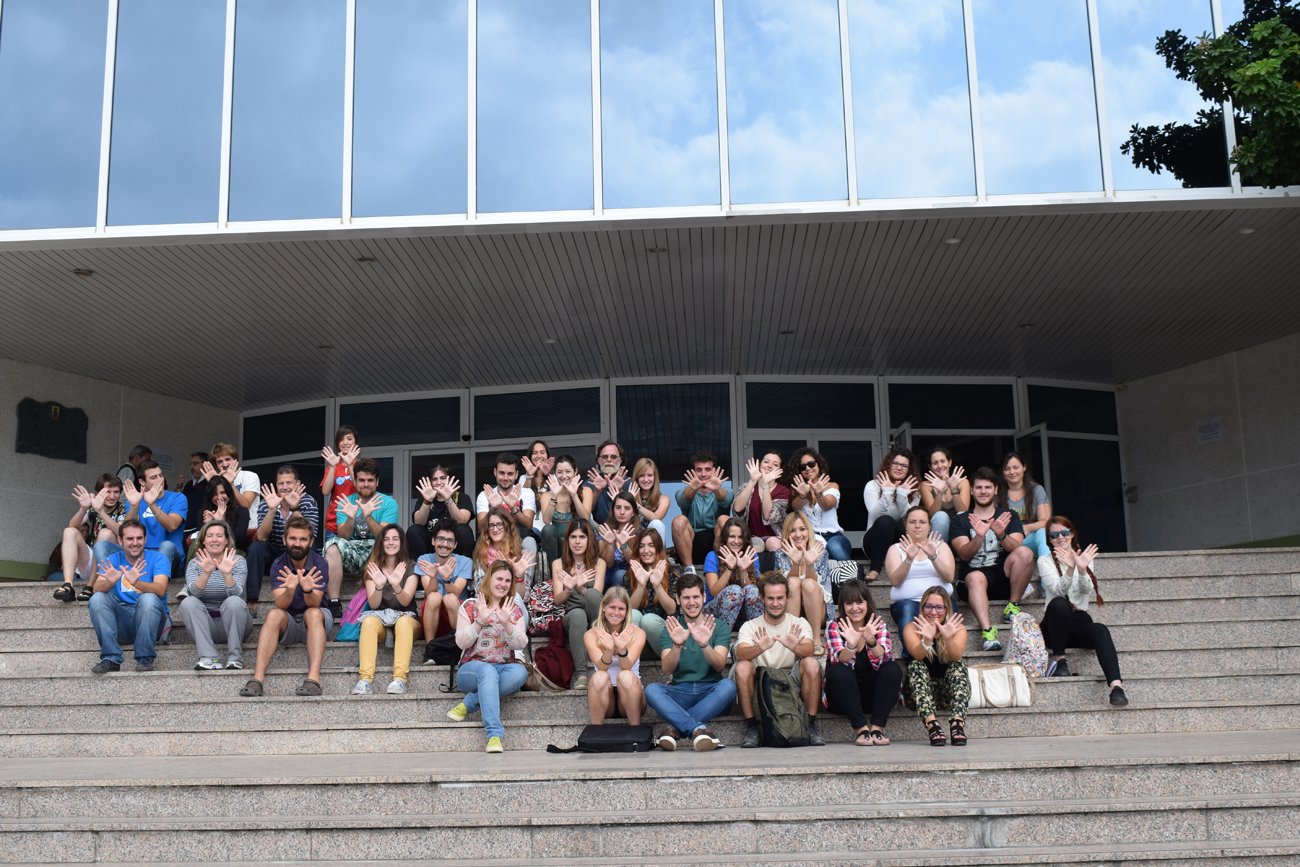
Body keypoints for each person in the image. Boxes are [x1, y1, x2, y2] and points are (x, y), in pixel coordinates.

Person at [239, 516, 333, 697]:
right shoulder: (278, 564)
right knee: (274, 614)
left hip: (316, 622)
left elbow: (314, 603)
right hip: (289, 621)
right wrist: (290, 589)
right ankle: (257, 680)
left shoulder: (320, 563)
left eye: (303, 539)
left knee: (313, 613)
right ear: (284, 540)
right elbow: (281, 604)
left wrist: (306, 590)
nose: (297, 543)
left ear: (311, 541)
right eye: (293, 538)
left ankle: (313, 680)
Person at [1038, 516, 1127, 706]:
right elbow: (1058, 591)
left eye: (1064, 532)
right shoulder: (1044, 561)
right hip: (1054, 625)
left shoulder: (1083, 556)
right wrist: (1070, 570)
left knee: (1100, 629)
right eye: (1054, 535)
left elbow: (1087, 590)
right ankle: (1060, 661)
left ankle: (1116, 688)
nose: (1060, 537)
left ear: (1072, 534)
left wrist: (1082, 568)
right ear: (1049, 540)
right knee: (1059, 604)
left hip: (1078, 621)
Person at [646, 572, 736, 751]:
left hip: (711, 693)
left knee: (729, 686)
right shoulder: (671, 629)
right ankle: (697, 729)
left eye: (696, 596)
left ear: (704, 597)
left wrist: (704, 645)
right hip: (681, 693)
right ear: (678, 600)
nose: (692, 602)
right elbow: (666, 668)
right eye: (686, 598)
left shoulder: (719, 627)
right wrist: (677, 644)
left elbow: (719, 665)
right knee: (651, 690)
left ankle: (675, 729)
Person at [734, 571, 825, 748]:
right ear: (762, 599)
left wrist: (794, 647)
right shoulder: (750, 626)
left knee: (811, 664)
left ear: (788, 598)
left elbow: (809, 650)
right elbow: (740, 654)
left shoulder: (799, 623)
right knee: (743, 667)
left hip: (790, 677)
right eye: (770, 598)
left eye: (780, 598)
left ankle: (810, 725)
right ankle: (753, 728)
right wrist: (760, 648)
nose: (775, 603)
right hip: (761, 680)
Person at [447, 560, 530, 753]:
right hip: (471, 669)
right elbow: (461, 643)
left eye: (508, 580)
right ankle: (494, 735)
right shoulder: (469, 606)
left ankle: (469, 703)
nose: (503, 584)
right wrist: (480, 621)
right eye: (499, 578)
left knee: (520, 672)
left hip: (503, 667)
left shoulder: (513, 609)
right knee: (486, 671)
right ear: (489, 579)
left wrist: (507, 623)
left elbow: (521, 644)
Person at [950, 466, 1034, 652]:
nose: (983, 491)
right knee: (975, 577)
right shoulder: (960, 520)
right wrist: (979, 536)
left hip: (1003, 577)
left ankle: (1012, 607)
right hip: (972, 582)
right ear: (971, 491)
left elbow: (1017, 549)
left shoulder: (1008, 516)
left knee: (1026, 552)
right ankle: (988, 633)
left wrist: (1002, 535)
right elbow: (963, 554)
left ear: (995, 490)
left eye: (988, 487)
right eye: (979, 488)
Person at [823, 578, 902, 745]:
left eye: (859, 602)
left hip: (872, 698)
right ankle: (862, 730)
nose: (855, 608)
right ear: (843, 606)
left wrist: (871, 641)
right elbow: (839, 659)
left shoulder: (878, 625)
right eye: (849, 603)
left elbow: (884, 658)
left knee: (893, 669)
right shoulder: (834, 627)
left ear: (867, 603)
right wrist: (851, 645)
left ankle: (877, 729)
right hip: (844, 699)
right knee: (837, 671)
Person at [87, 519, 170, 672]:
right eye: (130, 539)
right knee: (97, 598)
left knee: (148, 598)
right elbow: (96, 589)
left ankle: (145, 658)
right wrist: (110, 582)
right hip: (123, 621)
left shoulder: (158, 558)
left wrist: (137, 583)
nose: (135, 543)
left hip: (151, 621)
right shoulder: (112, 560)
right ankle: (111, 658)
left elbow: (160, 590)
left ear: (145, 539)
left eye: (139, 538)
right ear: (120, 540)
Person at [324, 457, 399, 620]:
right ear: (355, 481)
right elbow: (343, 537)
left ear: (377, 481)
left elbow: (386, 537)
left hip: (377, 553)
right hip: (353, 552)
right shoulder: (345, 502)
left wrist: (368, 516)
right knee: (331, 545)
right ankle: (334, 602)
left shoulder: (388, 503)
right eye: (362, 480)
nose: (366, 484)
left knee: (392, 545)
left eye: (370, 480)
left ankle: (383, 598)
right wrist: (351, 518)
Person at [352, 524, 419, 696]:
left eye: (395, 539)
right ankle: (365, 680)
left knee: (403, 623)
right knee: (368, 621)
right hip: (381, 617)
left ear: (401, 542)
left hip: (407, 619)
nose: (391, 543)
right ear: (381, 543)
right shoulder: (373, 569)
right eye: (386, 539)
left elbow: (406, 601)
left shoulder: (410, 566)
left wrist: (396, 585)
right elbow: (373, 605)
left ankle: (399, 679)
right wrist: (380, 586)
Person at [178, 519, 252, 671]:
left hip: (235, 625)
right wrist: (206, 572)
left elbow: (237, 594)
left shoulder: (238, 561)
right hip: (206, 627)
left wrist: (226, 574)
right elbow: (193, 594)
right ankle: (210, 658)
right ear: (203, 541)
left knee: (234, 602)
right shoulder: (194, 564)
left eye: (219, 535)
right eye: (210, 535)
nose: (214, 540)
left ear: (226, 540)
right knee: (187, 602)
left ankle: (235, 658)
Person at [902, 586, 969, 747]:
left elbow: (956, 656)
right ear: (922, 607)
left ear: (946, 609)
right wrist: (927, 640)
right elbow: (918, 655)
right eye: (929, 606)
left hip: (946, 695)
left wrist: (947, 638)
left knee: (959, 664)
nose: (933, 612)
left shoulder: (958, 629)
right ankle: (932, 725)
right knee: (916, 665)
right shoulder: (911, 628)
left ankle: (957, 724)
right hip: (918, 696)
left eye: (939, 607)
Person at [247, 466, 319, 615]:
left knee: (312, 548)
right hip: (276, 557)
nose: (285, 487)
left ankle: (307, 595)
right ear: (276, 485)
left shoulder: (308, 502)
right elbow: (262, 537)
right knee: (256, 547)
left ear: (297, 483)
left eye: (289, 483)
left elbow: (309, 535)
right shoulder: (267, 502)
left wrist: (295, 508)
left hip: (298, 555)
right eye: (281, 483)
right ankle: (252, 601)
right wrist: (272, 510)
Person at [52, 474, 125, 603]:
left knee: (105, 534)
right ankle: (68, 585)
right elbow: (73, 525)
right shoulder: (92, 509)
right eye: (107, 492)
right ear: (97, 493)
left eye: (116, 492)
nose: (112, 496)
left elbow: (121, 532)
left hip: (111, 563)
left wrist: (100, 511)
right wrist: (84, 508)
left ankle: (90, 586)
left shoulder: (122, 508)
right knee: (69, 531)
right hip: (92, 561)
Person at [552, 521, 607, 690]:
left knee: (590, 594)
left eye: (582, 537)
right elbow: (557, 600)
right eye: (573, 537)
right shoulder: (558, 564)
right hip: (573, 617)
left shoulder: (599, 563)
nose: (577, 542)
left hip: (594, 617)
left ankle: (601, 641)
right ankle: (582, 674)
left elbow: (595, 599)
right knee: (577, 614)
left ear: (589, 540)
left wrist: (581, 587)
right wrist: (568, 589)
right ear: (567, 540)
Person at [884, 506, 956, 634]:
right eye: (912, 522)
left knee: (945, 607)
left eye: (922, 522)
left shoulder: (941, 546)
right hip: (908, 604)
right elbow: (896, 581)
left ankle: (944, 652)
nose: (917, 526)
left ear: (929, 526)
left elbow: (949, 577)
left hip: (940, 602)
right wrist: (908, 559)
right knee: (907, 608)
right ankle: (911, 653)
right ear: (905, 525)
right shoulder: (895, 549)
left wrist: (933, 557)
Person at [112, 460, 186, 580]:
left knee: (166, 546)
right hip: (141, 557)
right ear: (142, 482)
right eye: (153, 477)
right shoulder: (135, 500)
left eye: (160, 475)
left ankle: (154, 585)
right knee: (102, 546)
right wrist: (135, 505)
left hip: (170, 560)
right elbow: (127, 531)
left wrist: (152, 504)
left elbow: (172, 526)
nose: (160, 480)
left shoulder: (177, 498)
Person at [584, 586, 647, 725]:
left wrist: (622, 648)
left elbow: (626, 666)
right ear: (604, 607)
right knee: (599, 676)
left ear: (627, 611)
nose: (616, 613)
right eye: (612, 607)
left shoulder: (638, 633)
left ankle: (635, 731)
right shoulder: (591, 634)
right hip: (604, 695)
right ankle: (596, 732)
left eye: (621, 609)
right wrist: (608, 650)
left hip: (631, 693)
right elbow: (601, 668)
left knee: (625, 675)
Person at [773, 511, 831, 656]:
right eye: (792, 530)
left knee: (809, 584)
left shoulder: (819, 551)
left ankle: (816, 641)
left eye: (802, 529)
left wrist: (809, 564)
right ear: (787, 533)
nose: (798, 535)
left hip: (818, 610)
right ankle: (791, 639)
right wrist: (796, 564)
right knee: (792, 582)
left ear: (808, 530)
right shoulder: (780, 553)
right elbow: (780, 588)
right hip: (792, 608)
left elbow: (823, 589)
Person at [416, 518, 474, 664]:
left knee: (449, 598)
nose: (445, 544)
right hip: (432, 615)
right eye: (441, 539)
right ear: (433, 541)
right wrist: (434, 576)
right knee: (435, 597)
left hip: (455, 615)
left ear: (455, 545)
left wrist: (447, 579)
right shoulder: (424, 559)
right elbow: (429, 593)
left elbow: (456, 592)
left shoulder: (465, 561)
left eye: (449, 541)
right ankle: (430, 650)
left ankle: (460, 648)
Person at [862, 448, 921, 582]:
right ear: (888, 464)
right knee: (886, 521)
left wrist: (902, 496)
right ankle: (875, 569)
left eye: (904, 465)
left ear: (909, 469)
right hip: (874, 541)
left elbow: (910, 520)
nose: (899, 468)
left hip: (899, 542)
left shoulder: (914, 491)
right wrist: (887, 493)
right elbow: (875, 514)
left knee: (902, 523)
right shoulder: (873, 485)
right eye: (895, 463)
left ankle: (910, 565)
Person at [787, 448, 850, 561]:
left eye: (811, 464)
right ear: (799, 471)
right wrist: (803, 494)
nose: (808, 468)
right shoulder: (798, 490)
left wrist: (819, 493)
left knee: (833, 547)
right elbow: (795, 508)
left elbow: (827, 505)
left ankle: (852, 576)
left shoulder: (832, 486)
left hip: (834, 536)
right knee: (815, 549)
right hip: (810, 537)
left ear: (818, 465)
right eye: (803, 467)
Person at [672, 451, 733, 568]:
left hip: (717, 542)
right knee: (679, 520)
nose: (703, 474)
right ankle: (689, 570)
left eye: (708, 469)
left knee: (725, 519)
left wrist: (716, 490)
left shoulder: (725, 490)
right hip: (692, 543)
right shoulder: (686, 491)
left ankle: (722, 567)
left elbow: (726, 499)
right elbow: (683, 500)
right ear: (694, 472)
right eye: (699, 470)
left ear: (714, 471)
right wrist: (693, 489)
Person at [625, 527, 678, 660]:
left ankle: (671, 666)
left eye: (651, 546)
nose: (646, 551)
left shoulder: (673, 572)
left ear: (658, 549)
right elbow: (629, 612)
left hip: (664, 643)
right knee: (634, 614)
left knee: (648, 620)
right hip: (640, 648)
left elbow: (672, 609)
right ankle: (632, 666)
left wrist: (657, 585)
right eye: (642, 546)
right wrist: (641, 584)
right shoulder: (631, 575)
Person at [702, 518, 762, 629]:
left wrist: (743, 569)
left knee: (753, 590)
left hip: (741, 614)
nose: (736, 541)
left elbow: (751, 595)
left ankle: (756, 638)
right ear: (725, 538)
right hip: (714, 614)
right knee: (734, 591)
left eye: (740, 537)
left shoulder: (751, 557)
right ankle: (722, 639)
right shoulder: (713, 556)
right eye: (732, 536)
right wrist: (730, 568)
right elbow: (714, 592)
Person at [471, 506, 537, 606]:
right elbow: (480, 590)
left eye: (499, 524)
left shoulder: (520, 554)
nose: (495, 529)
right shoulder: (482, 554)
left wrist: (518, 576)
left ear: (508, 527)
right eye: (491, 525)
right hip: (489, 606)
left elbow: (524, 597)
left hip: (514, 608)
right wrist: (497, 571)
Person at [408, 464, 475, 559]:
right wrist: (427, 501)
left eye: (442, 478)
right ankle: (419, 569)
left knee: (464, 529)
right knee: (413, 530)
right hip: (432, 547)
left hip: (453, 546)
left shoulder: (461, 497)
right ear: (430, 482)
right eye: (434, 479)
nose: (439, 482)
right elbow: (418, 522)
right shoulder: (423, 500)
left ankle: (462, 568)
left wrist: (448, 499)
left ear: (449, 479)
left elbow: (462, 520)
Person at [476, 453, 538, 549]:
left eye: (510, 474)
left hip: (519, 538)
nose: (505, 478)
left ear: (516, 474)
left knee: (530, 541)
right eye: (501, 473)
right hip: (494, 539)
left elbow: (528, 525)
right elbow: (480, 527)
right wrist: (494, 508)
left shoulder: (526, 493)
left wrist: (513, 508)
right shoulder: (484, 495)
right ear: (495, 472)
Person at [732, 452, 788, 553]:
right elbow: (737, 509)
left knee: (772, 543)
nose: (770, 466)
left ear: (780, 470)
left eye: (775, 464)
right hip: (752, 538)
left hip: (775, 538)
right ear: (759, 465)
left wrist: (766, 485)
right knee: (754, 545)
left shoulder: (783, 491)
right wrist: (753, 481)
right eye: (766, 462)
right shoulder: (746, 486)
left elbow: (769, 516)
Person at [1001, 452, 1052, 560]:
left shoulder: (1036, 490)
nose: (1012, 472)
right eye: (1007, 468)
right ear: (1003, 471)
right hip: (1006, 541)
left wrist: (1028, 527)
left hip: (1029, 539)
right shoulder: (997, 493)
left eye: (1016, 467)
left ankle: (1047, 575)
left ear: (1024, 467)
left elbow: (1045, 521)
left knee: (1043, 533)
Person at [540, 455, 590, 562]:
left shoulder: (586, 491)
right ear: (555, 474)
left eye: (568, 471)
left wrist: (574, 495)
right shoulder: (547, 495)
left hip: (580, 542)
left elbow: (585, 518)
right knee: (547, 529)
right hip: (560, 545)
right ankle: (553, 573)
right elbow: (546, 520)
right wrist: (554, 496)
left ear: (575, 471)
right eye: (559, 472)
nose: (564, 476)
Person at [920, 447, 968, 542]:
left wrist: (954, 489)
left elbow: (963, 512)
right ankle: (938, 553)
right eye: (935, 463)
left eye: (943, 461)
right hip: (937, 531)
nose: (940, 466)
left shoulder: (963, 482)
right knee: (940, 515)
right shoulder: (926, 485)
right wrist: (940, 492)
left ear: (949, 462)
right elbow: (932, 514)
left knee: (961, 514)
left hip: (958, 531)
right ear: (930, 467)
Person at [320, 425, 360, 539]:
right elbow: (325, 491)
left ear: (356, 442)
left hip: (356, 521)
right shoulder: (333, 466)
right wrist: (332, 466)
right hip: (334, 523)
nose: (345, 442)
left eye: (349, 438)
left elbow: (360, 488)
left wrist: (350, 464)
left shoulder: (362, 465)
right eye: (341, 439)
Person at [202, 443, 261, 520]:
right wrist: (214, 483)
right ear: (215, 465)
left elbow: (246, 506)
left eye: (228, 459)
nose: (225, 464)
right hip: (227, 528)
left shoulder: (249, 476)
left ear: (235, 459)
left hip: (250, 529)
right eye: (220, 461)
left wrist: (230, 484)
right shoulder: (217, 482)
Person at [583, 440, 633, 527]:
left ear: (620, 460)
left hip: (626, 529)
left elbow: (634, 513)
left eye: (613, 457)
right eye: (605, 457)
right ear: (599, 460)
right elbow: (585, 513)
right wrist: (597, 491)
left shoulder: (629, 482)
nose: (609, 460)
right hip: (599, 531)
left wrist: (620, 490)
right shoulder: (590, 483)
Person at [598, 491, 640, 588]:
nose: (622, 512)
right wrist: (610, 544)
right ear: (613, 510)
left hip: (631, 584)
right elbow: (609, 564)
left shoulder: (638, 536)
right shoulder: (606, 535)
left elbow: (636, 564)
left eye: (627, 508)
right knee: (620, 574)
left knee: (622, 574)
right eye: (618, 508)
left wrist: (624, 544)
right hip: (609, 585)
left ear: (633, 512)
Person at [628, 458, 670, 543]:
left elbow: (656, 518)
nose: (646, 479)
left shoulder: (663, 499)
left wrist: (635, 504)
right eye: (642, 475)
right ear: (636, 477)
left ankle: (659, 556)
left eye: (650, 475)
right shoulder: (629, 496)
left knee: (657, 523)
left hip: (653, 545)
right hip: (633, 544)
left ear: (655, 477)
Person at [178, 451, 208, 534]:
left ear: (205, 464)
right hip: (183, 529)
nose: (192, 467)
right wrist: (179, 486)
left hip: (199, 530)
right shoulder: (189, 484)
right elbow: (177, 502)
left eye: (195, 463)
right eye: (191, 464)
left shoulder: (210, 483)